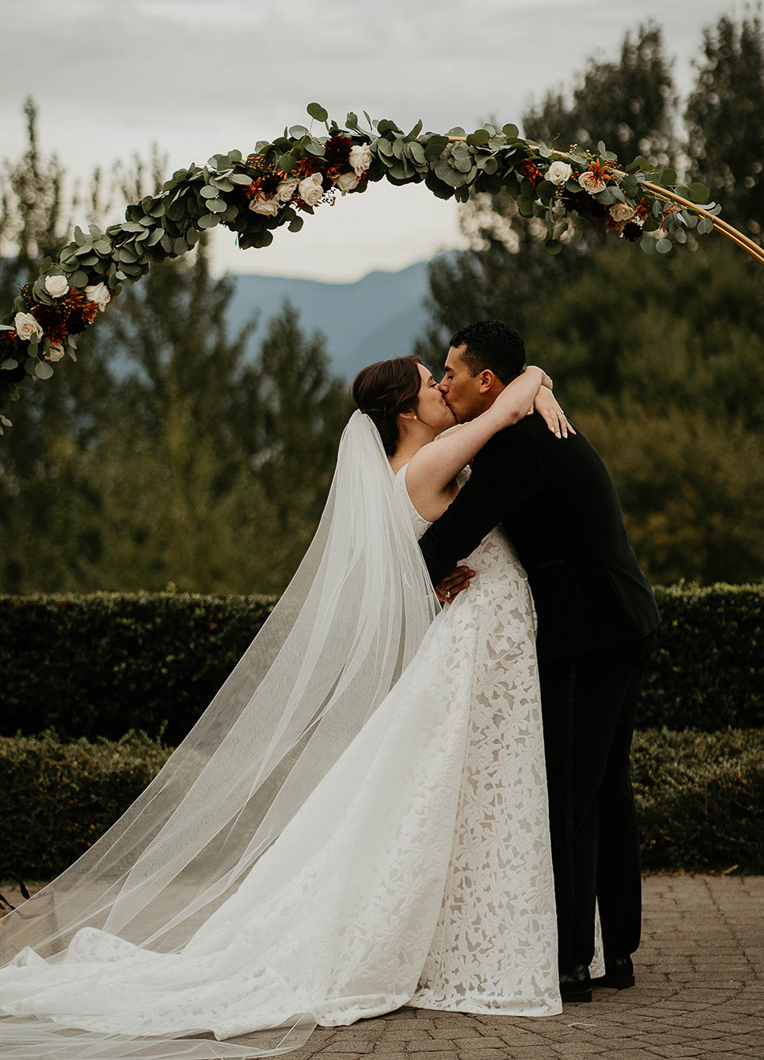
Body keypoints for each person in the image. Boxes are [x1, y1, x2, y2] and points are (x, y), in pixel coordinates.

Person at [0, 353, 588, 1060]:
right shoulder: (428, 463)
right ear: (406, 410)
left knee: (434, 795)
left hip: (468, 634)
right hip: (470, 641)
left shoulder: (406, 472)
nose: (443, 388)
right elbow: (506, 406)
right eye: (433, 382)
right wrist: (535, 375)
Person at [419, 321, 660, 1004]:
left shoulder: (516, 446)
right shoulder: (525, 420)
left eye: (451, 372)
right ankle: (618, 951)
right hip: (624, 615)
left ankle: (569, 963)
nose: (444, 381)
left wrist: (400, 574)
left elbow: (457, 531)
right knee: (607, 789)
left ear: (486, 382)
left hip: (590, 630)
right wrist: (536, 380)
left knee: (573, 792)